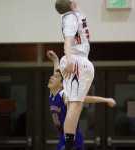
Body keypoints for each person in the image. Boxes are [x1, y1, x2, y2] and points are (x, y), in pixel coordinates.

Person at [47, 51, 116, 150]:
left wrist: (106, 100)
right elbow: (57, 74)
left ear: (62, 84)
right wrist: (55, 60)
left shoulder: (64, 95)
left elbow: (85, 98)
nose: (51, 77)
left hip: (73, 138)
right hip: (63, 137)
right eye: (52, 77)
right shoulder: (52, 93)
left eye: (55, 77)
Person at [55, 0, 94, 149]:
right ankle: (69, 145)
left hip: (80, 59)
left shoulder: (76, 14)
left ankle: (69, 143)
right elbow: (68, 39)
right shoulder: (70, 17)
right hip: (75, 59)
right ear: (70, 4)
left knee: (76, 104)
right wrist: (70, 58)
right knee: (75, 104)